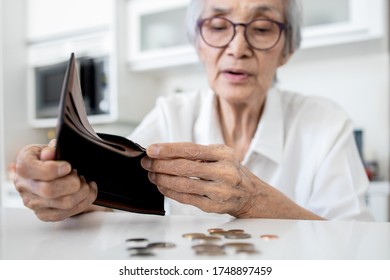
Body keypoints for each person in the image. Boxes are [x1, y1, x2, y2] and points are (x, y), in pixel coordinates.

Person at [13, 0, 373, 222]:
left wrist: (253, 201)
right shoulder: (172, 113)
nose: (237, 47)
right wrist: (60, 192)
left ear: (287, 50)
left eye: (262, 28)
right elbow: (112, 195)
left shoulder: (325, 124)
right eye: (218, 26)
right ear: (198, 43)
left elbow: (357, 246)